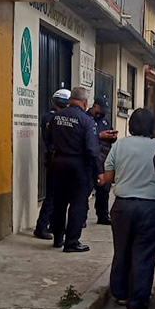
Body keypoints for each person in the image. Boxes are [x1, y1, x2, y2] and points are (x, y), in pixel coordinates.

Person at [98, 108, 155, 309]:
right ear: (151, 126)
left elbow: (108, 177)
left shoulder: (119, 145)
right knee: (143, 255)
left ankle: (120, 293)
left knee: (122, 249)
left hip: (122, 206)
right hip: (149, 207)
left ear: (131, 125)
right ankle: (136, 304)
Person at [48, 86, 100, 253]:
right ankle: (71, 242)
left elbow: (48, 139)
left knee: (59, 203)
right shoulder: (86, 121)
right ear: (84, 103)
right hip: (79, 166)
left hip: (58, 163)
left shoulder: (56, 117)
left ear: (70, 100)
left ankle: (57, 238)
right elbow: (92, 149)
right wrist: (99, 171)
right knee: (78, 203)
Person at [34, 88, 71, 240]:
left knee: (55, 195)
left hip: (53, 159)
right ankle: (41, 226)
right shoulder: (53, 118)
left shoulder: (50, 117)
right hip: (55, 160)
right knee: (52, 196)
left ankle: (49, 224)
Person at [89, 97, 118, 225]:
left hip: (103, 160)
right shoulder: (87, 119)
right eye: (101, 108)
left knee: (104, 189)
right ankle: (81, 218)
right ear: (94, 106)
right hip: (89, 160)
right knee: (85, 189)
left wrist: (112, 137)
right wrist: (99, 136)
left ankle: (103, 216)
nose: (103, 112)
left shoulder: (104, 121)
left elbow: (109, 138)